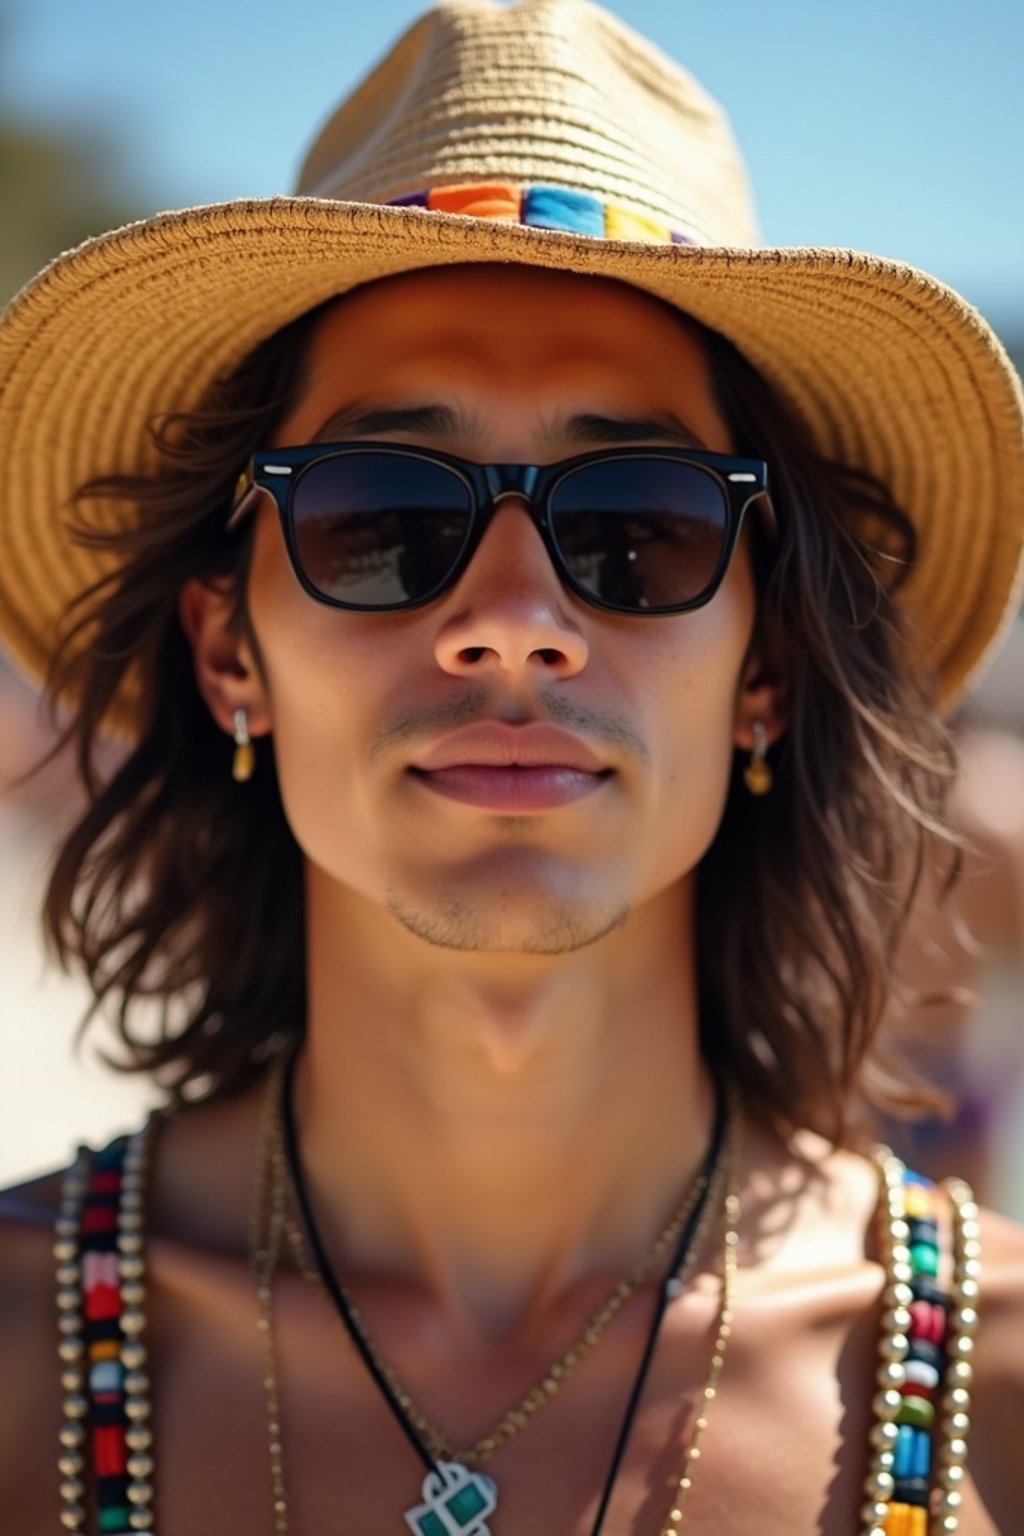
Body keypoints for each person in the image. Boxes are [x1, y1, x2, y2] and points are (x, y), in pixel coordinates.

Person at [0, 2, 1022, 1533]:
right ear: (228, 653)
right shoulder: (19, 1362)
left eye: (639, 521)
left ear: (768, 671)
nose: (514, 625)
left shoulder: (990, 1401)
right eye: (380, 514)